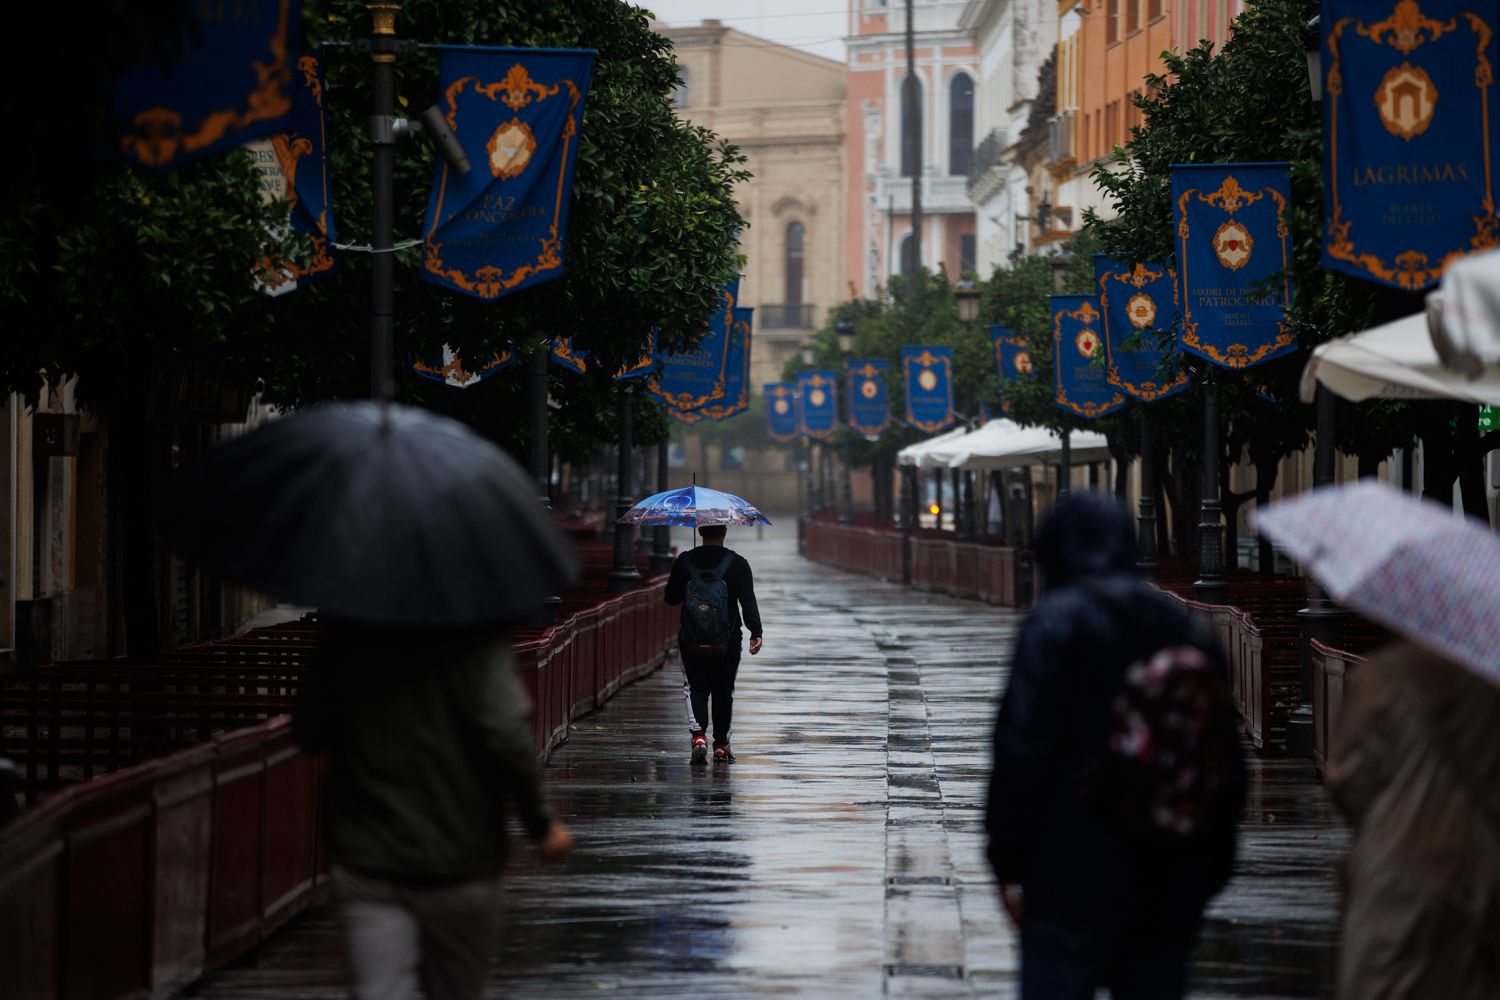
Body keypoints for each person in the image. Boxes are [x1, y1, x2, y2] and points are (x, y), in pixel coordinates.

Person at [986, 493, 1244, 1000]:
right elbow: (1223, 759)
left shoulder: (1052, 625)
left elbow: (1022, 751)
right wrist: (1207, 869)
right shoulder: (1183, 627)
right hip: (1165, 871)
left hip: (1067, 873)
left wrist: (1008, 863)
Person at [292, 620, 574, 1000]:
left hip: (368, 850)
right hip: (462, 854)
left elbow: (309, 729)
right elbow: (507, 735)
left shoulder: (349, 635)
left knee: (380, 990)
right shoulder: (476, 636)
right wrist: (540, 825)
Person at [1326, 640, 1500, 1000]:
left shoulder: (1383, 676)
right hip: (1484, 872)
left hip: (1397, 874)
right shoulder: (1490, 681)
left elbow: (1348, 781)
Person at [664, 524, 763, 764]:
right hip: (728, 641)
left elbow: (671, 598)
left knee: (695, 688)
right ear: (724, 532)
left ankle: (698, 737)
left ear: (700, 531)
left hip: (691, 640)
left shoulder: (685, 561)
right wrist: (755, 632)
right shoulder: (738, 563)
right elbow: (747, 600)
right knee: (723, 690)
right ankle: (721, 745)